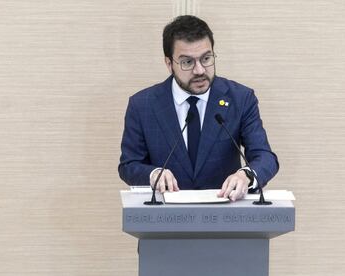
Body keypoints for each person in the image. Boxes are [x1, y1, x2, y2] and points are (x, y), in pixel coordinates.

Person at [118, 15, 279, 201]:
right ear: (169, 64)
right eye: (187, 62)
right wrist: (153, 174)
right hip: (165, 221)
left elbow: (265, 157)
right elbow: (129, 165)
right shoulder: (142, 105)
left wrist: (246, 175)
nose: (200, 70)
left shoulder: (241, 98)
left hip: (225, 218)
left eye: (206, 58)